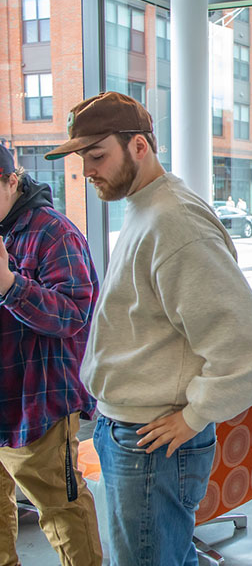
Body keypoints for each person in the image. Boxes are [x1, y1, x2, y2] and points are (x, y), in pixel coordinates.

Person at [45, 91, 252, 565]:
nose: (87, 170)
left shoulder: (175, 222)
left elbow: (240, 345)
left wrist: (193, 417)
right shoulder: (146, 206)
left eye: (97, 155)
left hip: (151, 440)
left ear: (140, 146)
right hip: (128, 431)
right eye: (83, 158)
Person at [0, 146, 103, 566]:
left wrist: (8, 284)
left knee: (62, 512)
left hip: (36, 402)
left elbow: (74, 316)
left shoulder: (54, 232)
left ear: (12, 180)